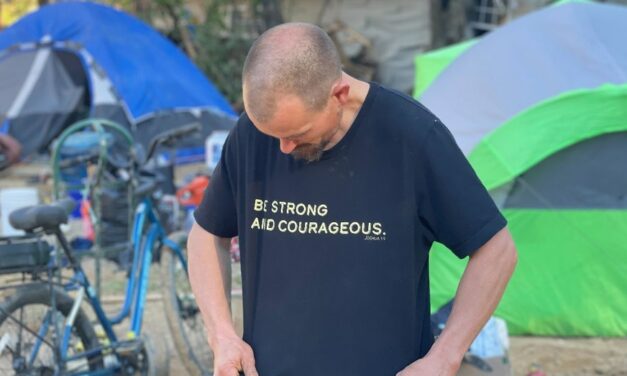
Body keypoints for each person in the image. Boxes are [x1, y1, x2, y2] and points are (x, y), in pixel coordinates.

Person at [188, 22, 517, 376]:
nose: (281, 148)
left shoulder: (412, 137)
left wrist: (445, 356)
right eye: (272, 135)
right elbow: (206, 236)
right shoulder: (254, 135)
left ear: (339, 95)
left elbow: (496, 250)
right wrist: (221, 335)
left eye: (296, 135)